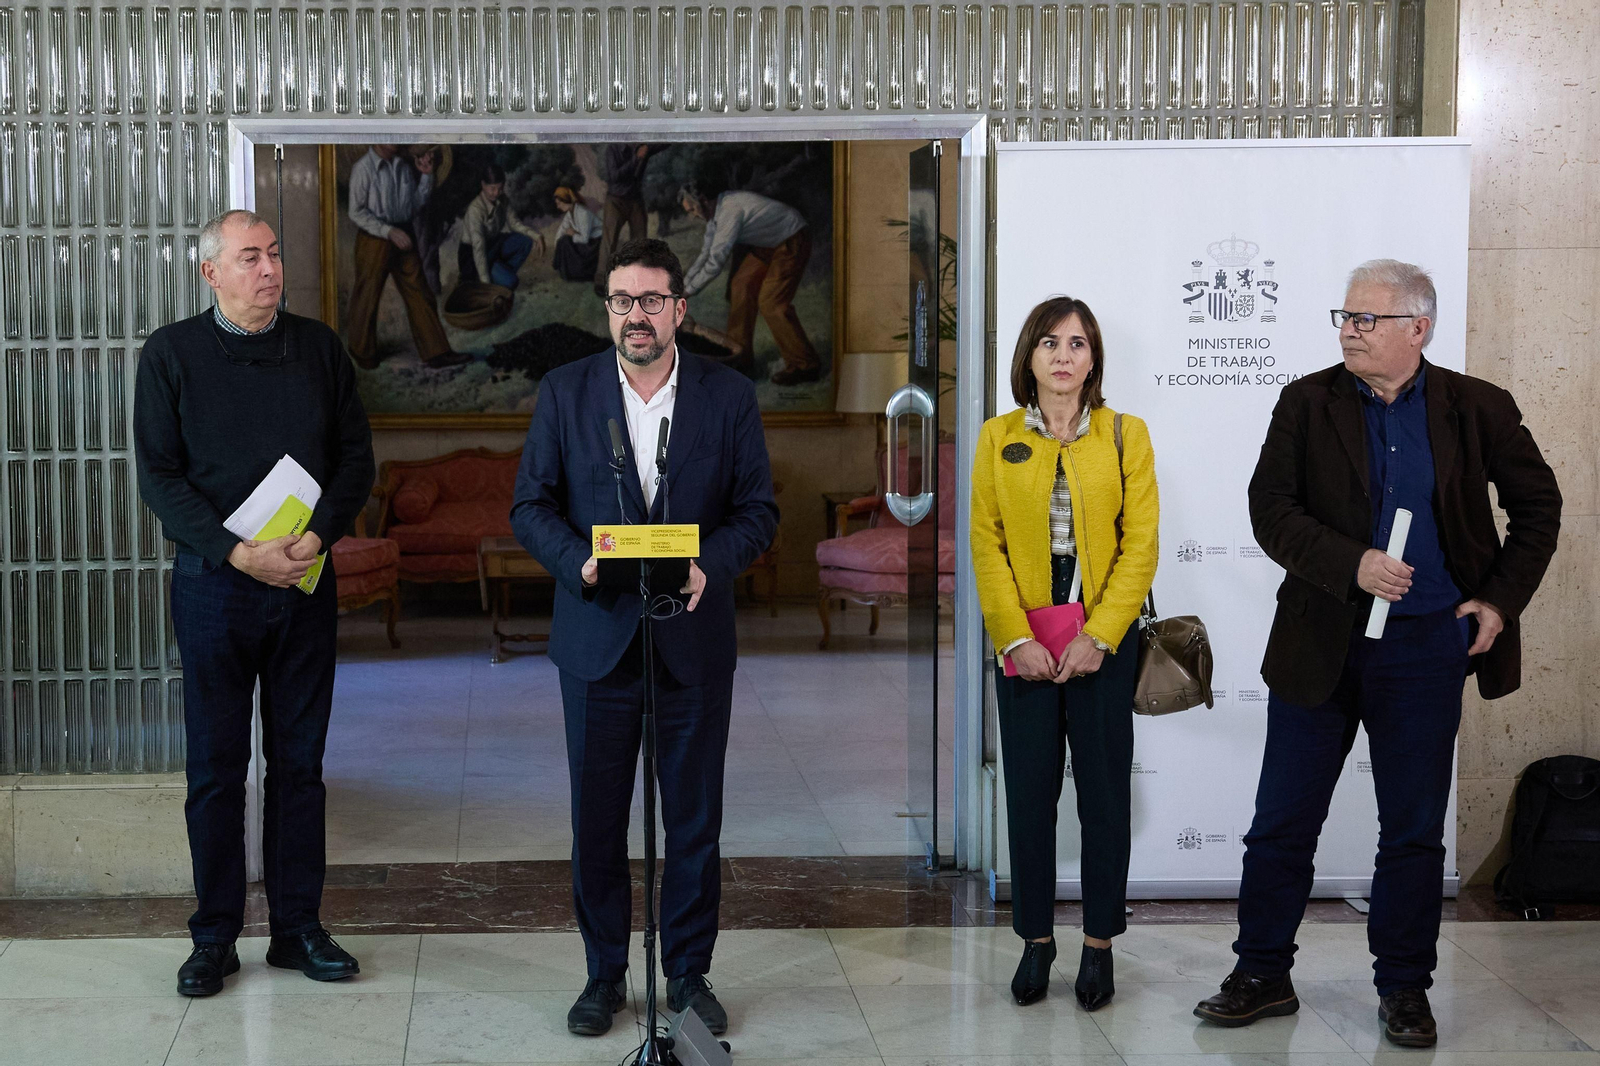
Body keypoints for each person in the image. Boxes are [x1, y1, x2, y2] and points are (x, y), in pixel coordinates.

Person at [1194, 260, 1562, 1048]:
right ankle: (1261, 972)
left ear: (1417, 329)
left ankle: (1404, 988)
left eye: (1367, 319)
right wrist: (1348, 562)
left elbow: (1539, 507)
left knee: (1413, 831)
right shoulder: (1306, 401)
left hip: (1427, 650)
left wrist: (1497, 601)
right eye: (1346, 316)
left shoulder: (1479, 407)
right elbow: (1270, 511)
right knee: (1282, 822)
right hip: (1319, 644)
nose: (1349, 330)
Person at [511, 237, 778, 1039]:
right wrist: (579, 563)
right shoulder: (565, 393)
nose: (637, 316)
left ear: (679, 310)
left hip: (693, 641)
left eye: (652, 301)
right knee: (597, 818)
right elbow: (531, 507)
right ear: (608, 312)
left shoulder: (728, 397)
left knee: (693, 817)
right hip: (597, 642)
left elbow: (758, 512)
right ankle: (603, 974)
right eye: (623, 302)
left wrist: (708, 564)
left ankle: (688, 974)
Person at [133, 210, 376, 998]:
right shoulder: (170, 354)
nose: (270, 269)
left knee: (300, 768)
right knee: (215, 770)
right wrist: (237, 551)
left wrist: (320, 535)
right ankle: (213, 937)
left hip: (305, 584)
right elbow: (160, 478)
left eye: (274, 254)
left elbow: (355, 458)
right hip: (214, 589)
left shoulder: (318, 349)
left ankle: (299, 929)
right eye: (250, 257)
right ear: (211, 273)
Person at [970, 296, 1159, 1011]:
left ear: (1093, 359)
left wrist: (1102, 634)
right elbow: (984, 542)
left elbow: (1140, 543)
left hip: (1100, 629)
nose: (1062, 356)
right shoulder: (996, 438)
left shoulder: (1124, 435)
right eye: (1049, 343)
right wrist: (1011, 636)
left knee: (1104, 795)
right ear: (1029, 357)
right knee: (1030, 793)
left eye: (1077, 344)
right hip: (1023, 630)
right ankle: (1036, 942)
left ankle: (1101, 945)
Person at [679, 183, 823, 385]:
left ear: (703, 200)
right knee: (740, 287)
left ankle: (805, 365)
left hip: (791, 238)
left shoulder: (730, 211)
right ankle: (740, 360)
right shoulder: (714, 216)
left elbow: (715, 262)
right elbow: (705, 255)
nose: (693, 215)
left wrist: (688, 291)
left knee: (771, 303)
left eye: (693, 209)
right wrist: (682, 287)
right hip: (766, 245)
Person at [345, 144, 469, 370]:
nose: (397, 141)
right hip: (375, 238)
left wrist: (426, 176)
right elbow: (356, 211)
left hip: (404, 234)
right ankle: (362, 353)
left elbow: (413, 206)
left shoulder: (402, 166)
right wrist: (388, 232)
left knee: (420, 291)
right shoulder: (362, 169)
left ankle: (437, 353)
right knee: (368, 293)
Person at [456, 162, 545, 289]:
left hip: (493, 245)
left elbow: (514, 224)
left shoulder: (503, 200)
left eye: (500, 188)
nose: (496, 193)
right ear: (483, 185)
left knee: (525, 242)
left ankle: (500, 273)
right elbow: (478, 248)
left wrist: (536, 236)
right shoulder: (475, 209)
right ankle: (491, 279)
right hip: (474, 255)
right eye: (492, 188)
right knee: (511, 282)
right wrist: (485, 285)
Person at [593, 143, 663, 295]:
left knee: (640, 240)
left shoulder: (644, 146)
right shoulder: (613, 149)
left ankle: (639, 278)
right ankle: (600, 281)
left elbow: (664, 143)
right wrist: (636, 158)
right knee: (609, 241)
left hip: (635, 199)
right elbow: (614, 176)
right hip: (615, 200)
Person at [551, 185, 604, 282]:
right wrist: (557, 245)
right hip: (584, 242)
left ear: (566, 200)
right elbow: (561, 230)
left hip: (594, 245)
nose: (558, 206)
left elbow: (584, 239)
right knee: (562, 240)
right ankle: (565, 271)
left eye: (559, 203)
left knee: (565, 241)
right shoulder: (569, 214)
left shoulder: (583, 212)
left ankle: (577, 274)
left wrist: (572, 234)